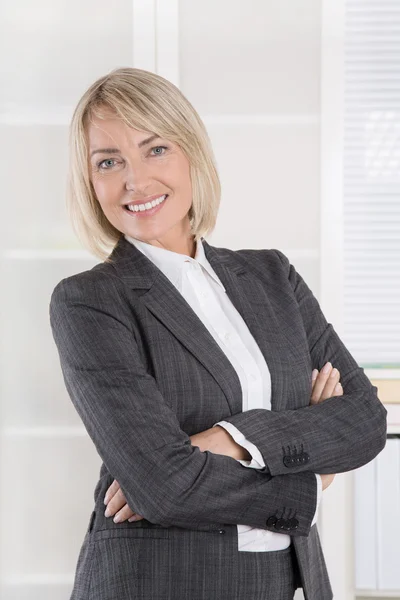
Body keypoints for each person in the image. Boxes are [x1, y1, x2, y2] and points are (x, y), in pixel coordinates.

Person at [49, 67, 387, 600]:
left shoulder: (273, 276)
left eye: (155, 149)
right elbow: (162, 486)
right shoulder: (90, 301)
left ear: (191, 154)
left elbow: (365, 420)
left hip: (288, 582)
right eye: (109, 162)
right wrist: (312, 476)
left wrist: (230, 440)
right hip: (162, 584)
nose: (134, 181)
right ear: (89, 181)